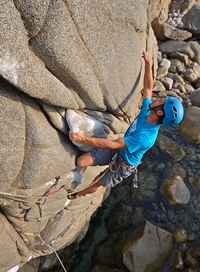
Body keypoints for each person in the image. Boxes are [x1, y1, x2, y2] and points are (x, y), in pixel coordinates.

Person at [68, 50, 184, 199]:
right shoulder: (148, 112)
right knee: (81, 161)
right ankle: (100, 165)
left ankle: (78, 194)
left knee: (97, 183)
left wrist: (84, 140)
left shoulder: (146, 137)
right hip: (118, 150)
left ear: (160, 113)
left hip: (123, 165)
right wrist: (148, 64)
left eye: (161, 101)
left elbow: (114, 144)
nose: (158, 98)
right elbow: (148, 88)